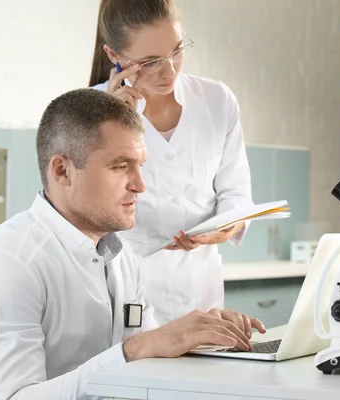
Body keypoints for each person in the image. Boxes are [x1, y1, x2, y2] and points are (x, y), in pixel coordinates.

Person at [0, 88, 265, 400]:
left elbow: (147, 355)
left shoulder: (121, 256)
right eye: (120, 166)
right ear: (62, 171)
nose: (141, 185)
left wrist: (198, 337)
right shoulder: (7, 263)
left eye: (141, 165)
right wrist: (134, 350)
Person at [89, 0, 255, 325]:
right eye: (150, 62)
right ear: (114, 56)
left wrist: (222, 229)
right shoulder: (89, 112)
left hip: (200, 295)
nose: (170, 71)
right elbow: (82, 218)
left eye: (177, 51)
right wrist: (110, 123)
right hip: (124, 297)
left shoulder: (216, 101)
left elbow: (237, 196)